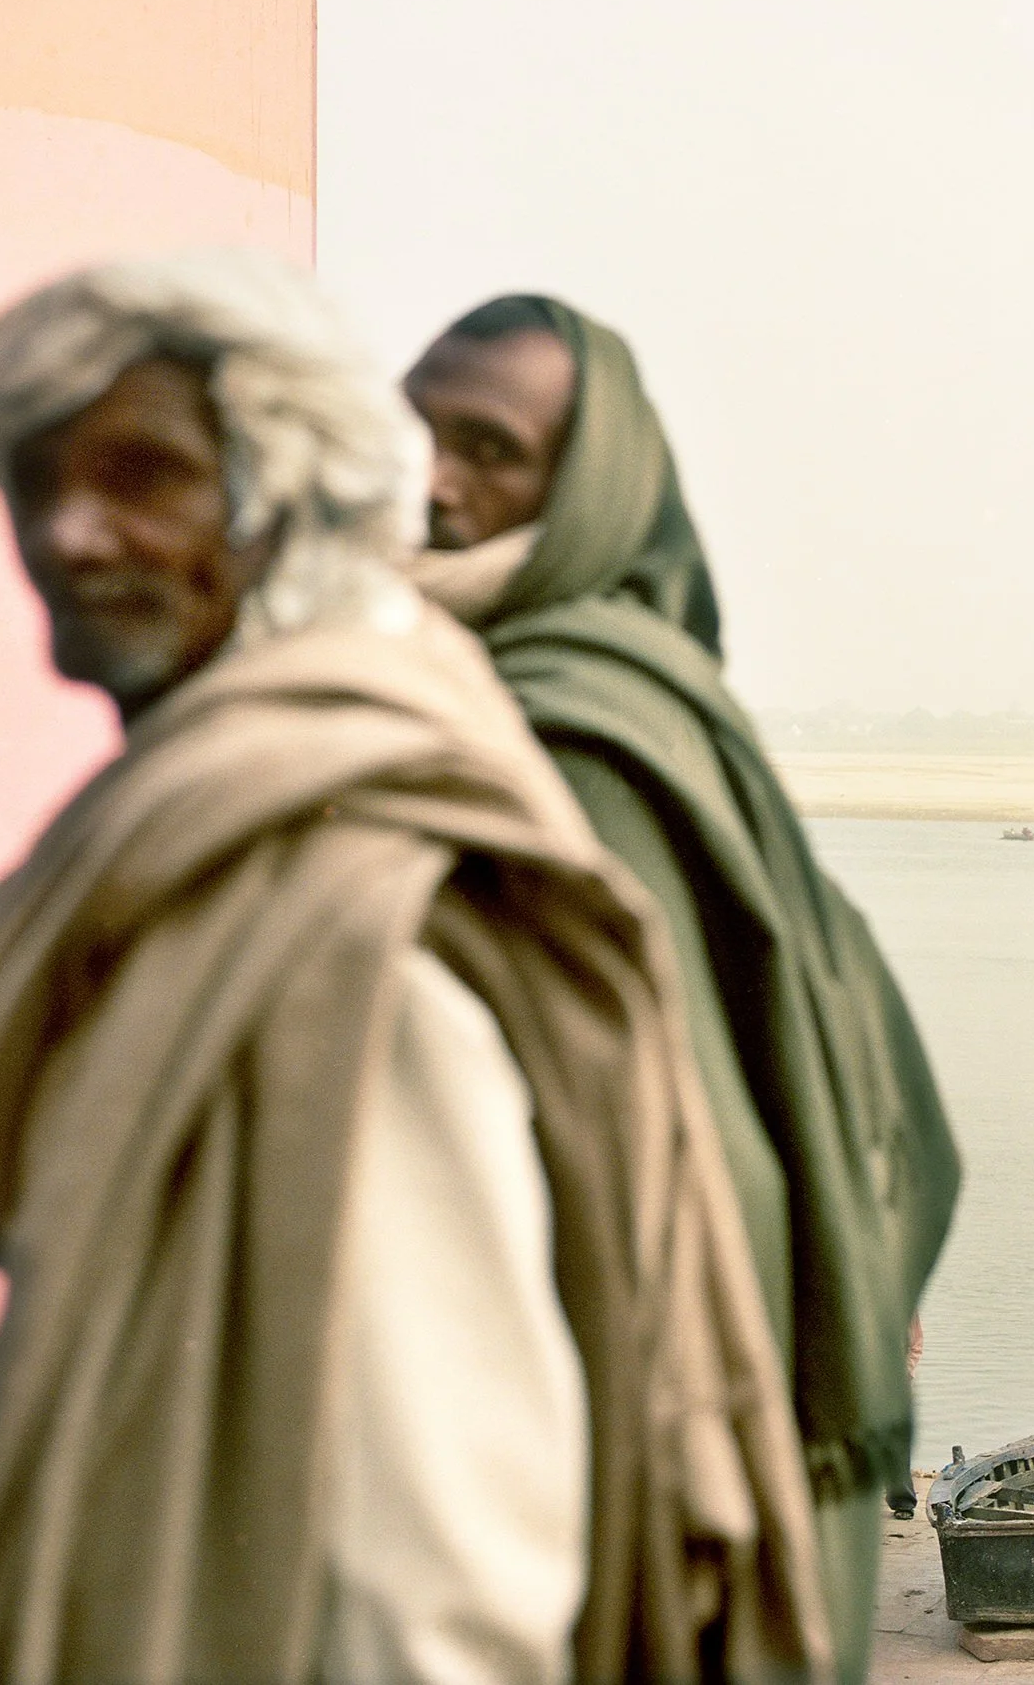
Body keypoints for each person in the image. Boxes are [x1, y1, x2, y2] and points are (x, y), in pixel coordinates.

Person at [0, 251, 828, 1684]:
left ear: (285, 491)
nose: (70, 533)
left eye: (143, 476)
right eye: (35, 481)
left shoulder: (348, 905)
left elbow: (440, 1577)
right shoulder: (204, 819)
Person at [405, 294, 962, 1681]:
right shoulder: (668, 704)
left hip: (616, 1482)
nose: (430, 481)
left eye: (486, 447)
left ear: (591, 490)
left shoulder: (560, 741)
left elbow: (653, 1172)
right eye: (408, 434)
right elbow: (915, 1146)